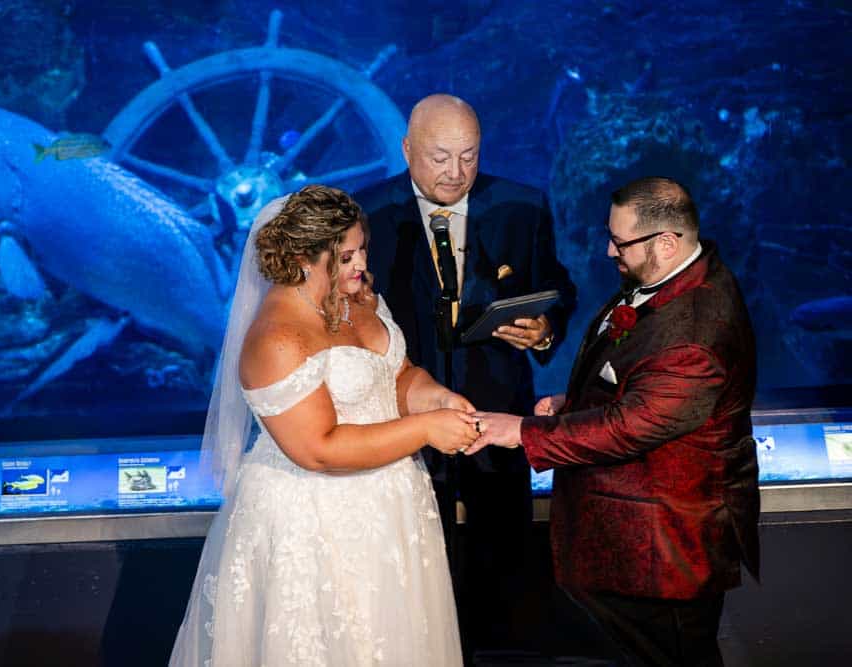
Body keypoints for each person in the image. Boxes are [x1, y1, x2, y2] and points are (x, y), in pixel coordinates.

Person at [169, 185, 479, 666]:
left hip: (391, 506)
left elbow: (394, 374)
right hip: (318, 518)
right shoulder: (277, 337)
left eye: (362, 250)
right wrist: (425, 430)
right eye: (347, 255)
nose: (360, 265)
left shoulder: (358, 297)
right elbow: (318, 447)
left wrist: (434, 398)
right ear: (304, 258)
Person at [468, 177, 760, 666]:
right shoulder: (666, 279)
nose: (608, 250)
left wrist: (518, 430)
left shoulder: (695, 331)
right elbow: (639, 383)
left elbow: (631, 425)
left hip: (663, 552)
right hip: (639, 547)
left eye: (620, 241)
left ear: (666, 243)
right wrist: (577, 400)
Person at [355, 94, 577, 655]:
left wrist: (545, 329)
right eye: (439, 157)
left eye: (469, 157)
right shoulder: (365, 215)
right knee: (407, 566)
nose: (456, 173)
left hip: (495, 415)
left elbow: (558, 287)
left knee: (501, 563)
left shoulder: (521, 206)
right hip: (396, 418)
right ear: (406, 149)